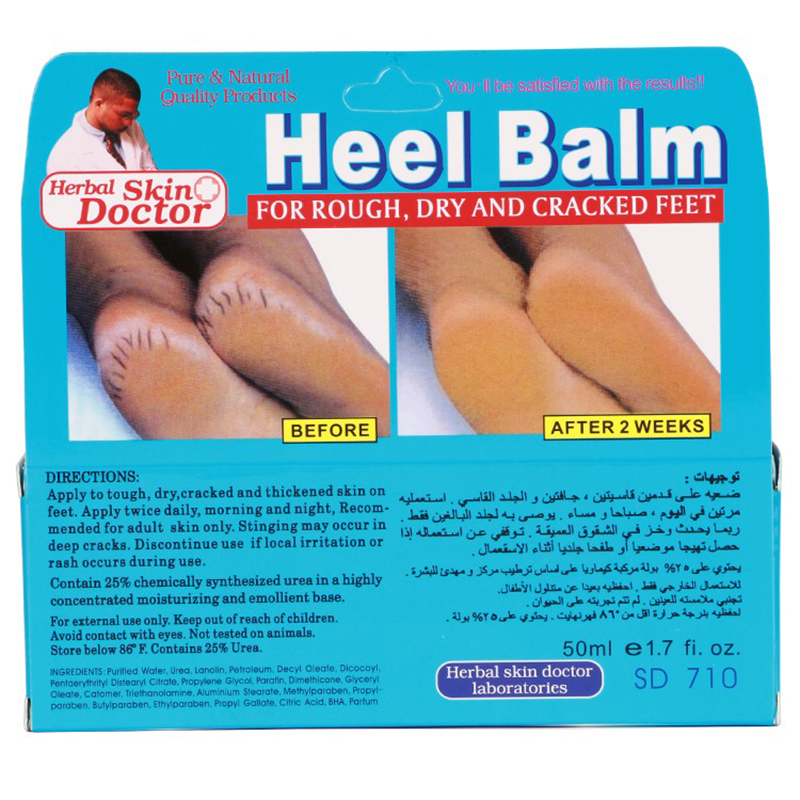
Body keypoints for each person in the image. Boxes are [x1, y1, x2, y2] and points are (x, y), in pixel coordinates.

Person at [47, 68, 156, 173]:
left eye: (134, 114)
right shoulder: (63, 158)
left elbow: (152, 175)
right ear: (99, 104)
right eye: (124, 115)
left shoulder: (133, 128)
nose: (129, 122)